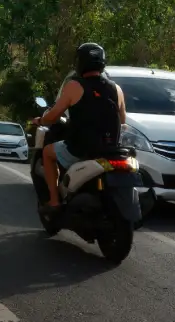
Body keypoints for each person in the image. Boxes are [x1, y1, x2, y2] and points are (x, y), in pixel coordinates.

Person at [35, 43, 126, 210]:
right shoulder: (117, 89)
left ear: (80, 63)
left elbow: (53, 115)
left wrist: (40, 121)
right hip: (109, 149)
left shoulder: (74, 86)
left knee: (47, 153)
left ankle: (54, 201)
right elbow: (122, 120)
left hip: (80, 149)